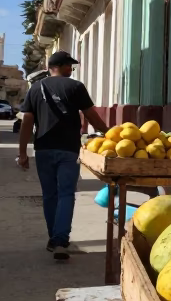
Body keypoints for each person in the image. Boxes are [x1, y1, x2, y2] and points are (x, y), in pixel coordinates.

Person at [17, 51, 109, 259]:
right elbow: (91, 115)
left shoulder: (36, 89)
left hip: (43, 149)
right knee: (66, 193)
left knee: (50, 195)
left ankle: (54, 238)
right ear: (62, 66)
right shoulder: (75, 87)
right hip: (68, 149)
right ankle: (60, 239)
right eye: (70, 66)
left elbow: (27, 122)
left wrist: (23, 152)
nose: (71, 70)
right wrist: (109, 133)